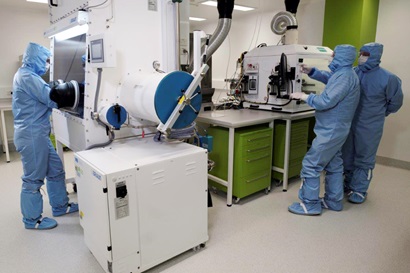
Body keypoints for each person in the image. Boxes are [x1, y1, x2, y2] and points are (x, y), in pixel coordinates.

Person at [12, 42, 78, 230]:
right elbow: (51, 99)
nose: (47, 64)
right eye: (46, 60)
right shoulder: (28, 77)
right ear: (36, 59)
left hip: (37, 133)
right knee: (33, 178)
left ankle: (60, 206)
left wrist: (52, 86)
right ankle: (32, 220)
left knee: (56, 169)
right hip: (31, 135)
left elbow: (43, 92)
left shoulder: (27, 75)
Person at [288, 44, 360, 215]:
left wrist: (305, 96)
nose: (331, 58)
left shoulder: (345, 77)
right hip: (335, 128)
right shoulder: (344, 74)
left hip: (331, 130)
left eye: (334, 55)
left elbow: (325, 101)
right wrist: (312, 71)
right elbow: (330, 79)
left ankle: (310, 204)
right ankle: (333, 201)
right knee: (334, 164)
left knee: (311, 164)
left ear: (342, 57)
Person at [342, 43, 403, 204]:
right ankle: (347, 183)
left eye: (365, 54)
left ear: (375, 56)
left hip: (370, 126)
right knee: (347, 155)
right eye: (360, 53)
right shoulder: (354, 72)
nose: (361, 56)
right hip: (350, 122)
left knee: (364, 158)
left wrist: (381, 113)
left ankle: (359, 189)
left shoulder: (389, 78)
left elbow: (395, 103)